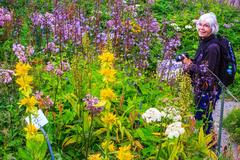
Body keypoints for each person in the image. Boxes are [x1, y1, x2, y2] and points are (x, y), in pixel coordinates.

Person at [182, 12, 222, 134]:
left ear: (212, 28)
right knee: (202, 115)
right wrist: (191, 61)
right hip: (202, 87)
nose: (201, 28)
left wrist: (189, 64)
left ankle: (206, 143)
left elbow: (206, 71)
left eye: (206, 26)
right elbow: (202, 64)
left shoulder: (212, 47)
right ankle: (206, 140)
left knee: (203, 116)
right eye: (200, 24)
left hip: (208, 89)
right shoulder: (205, 41)